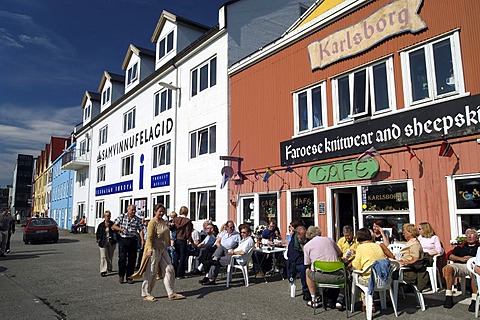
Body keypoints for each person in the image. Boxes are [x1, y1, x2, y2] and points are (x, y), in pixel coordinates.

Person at [131, 204, 185, 301]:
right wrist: (149, 249)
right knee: (152, 271)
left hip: (163, 249)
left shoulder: (163, 222)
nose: (161, 213)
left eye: (163, 211)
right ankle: (146, 293)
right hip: (153, 249)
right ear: (155, 211)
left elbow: (167, 233)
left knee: (170, 269)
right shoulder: (152, 222)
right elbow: (150, 237)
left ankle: (171, 293)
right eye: (159, 211)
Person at [303, 226, 343, 309]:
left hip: (320, 277)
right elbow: (340, 254)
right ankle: (340, 298)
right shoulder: (330, 240)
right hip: (337, 276)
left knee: (307, 272)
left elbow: (307, 264)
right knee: (345, 269)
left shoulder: (307, 246)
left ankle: (314, 298)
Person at [443, 228, 479, 311]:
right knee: (447, 268)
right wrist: (460, 258)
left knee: (475, 272)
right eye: (468, 235)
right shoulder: (461, 247)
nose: (469, 237)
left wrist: (473, 258)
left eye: (472, 235)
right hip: (461, 265)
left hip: (474, 265)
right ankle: (448, 296)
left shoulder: (479, 247)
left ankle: (474, 299)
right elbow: (450, 255)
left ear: (476, 237)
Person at [351, 227, 386, 312]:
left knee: (356, 276)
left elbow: (356, 266)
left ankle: (366, 302)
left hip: (370, 280)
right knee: (364, 274)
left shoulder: (361, 247)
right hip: (383, 279)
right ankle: (372, 302)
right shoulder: (377, 245)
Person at [112, 204, 145, 284]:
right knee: (122, 259)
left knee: (132, 259)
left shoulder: (137, 219)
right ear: (128, 209)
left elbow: (140, 230)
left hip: (133, 240)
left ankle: (130, 276)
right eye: (132, 210)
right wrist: (120, 229)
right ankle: (121, 275)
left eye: (134, 210)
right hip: (123, 239)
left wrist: (142, 240)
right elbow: (113, 226)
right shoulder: (122, 217)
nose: (133, 211)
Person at [396, 223, 428, 291]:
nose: (403, 234)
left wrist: (404, 262)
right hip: (404, 268)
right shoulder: (410, 242)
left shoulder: (415, 244)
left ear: (410, 233)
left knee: (387, 274)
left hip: (409, 272)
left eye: (404, 232)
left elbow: (415, 260)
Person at [286, 225, 310, 301]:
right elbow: (293, 257)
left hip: (306, 261)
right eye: (302, 236)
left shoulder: (307, 240)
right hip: (294, 263)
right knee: (303, 269)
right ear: (297, 234)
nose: (304, 238)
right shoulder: (293, 243)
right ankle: (305, 290)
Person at [170, 206, 193, 279]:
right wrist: (191, 241)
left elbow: (172, 228)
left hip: (176, 239)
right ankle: (180, 274)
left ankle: (175, 272)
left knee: (176, 256)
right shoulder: (187, 221)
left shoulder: (175, 219)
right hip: (183, 240)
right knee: (183, 257)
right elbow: (188, 232)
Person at [96, 210, 118, 277]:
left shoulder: (113, 224)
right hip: (103, 242)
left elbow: (117, 232)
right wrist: (98, 240)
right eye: (107, 216)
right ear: (104, 217)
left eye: (109, 216)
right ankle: (103, 270)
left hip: (111, 242)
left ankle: (109, 267)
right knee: (103, 256)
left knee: (109, 256)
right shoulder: (101, 225)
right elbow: (98, 233)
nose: (108, 217)